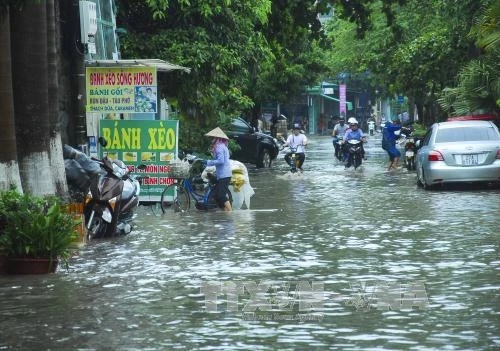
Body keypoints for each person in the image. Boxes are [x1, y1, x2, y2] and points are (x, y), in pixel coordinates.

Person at [204, 127, 232, 211]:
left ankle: (231, 212)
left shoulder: (219, 147)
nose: (211, 139)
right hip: (223, 175)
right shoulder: (222, 146)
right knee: (216, 196)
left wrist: (208, 162)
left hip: (224, 175)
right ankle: (225, 213)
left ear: (217, 138)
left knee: (221, 196)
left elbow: (221, 161)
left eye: (212, 138)